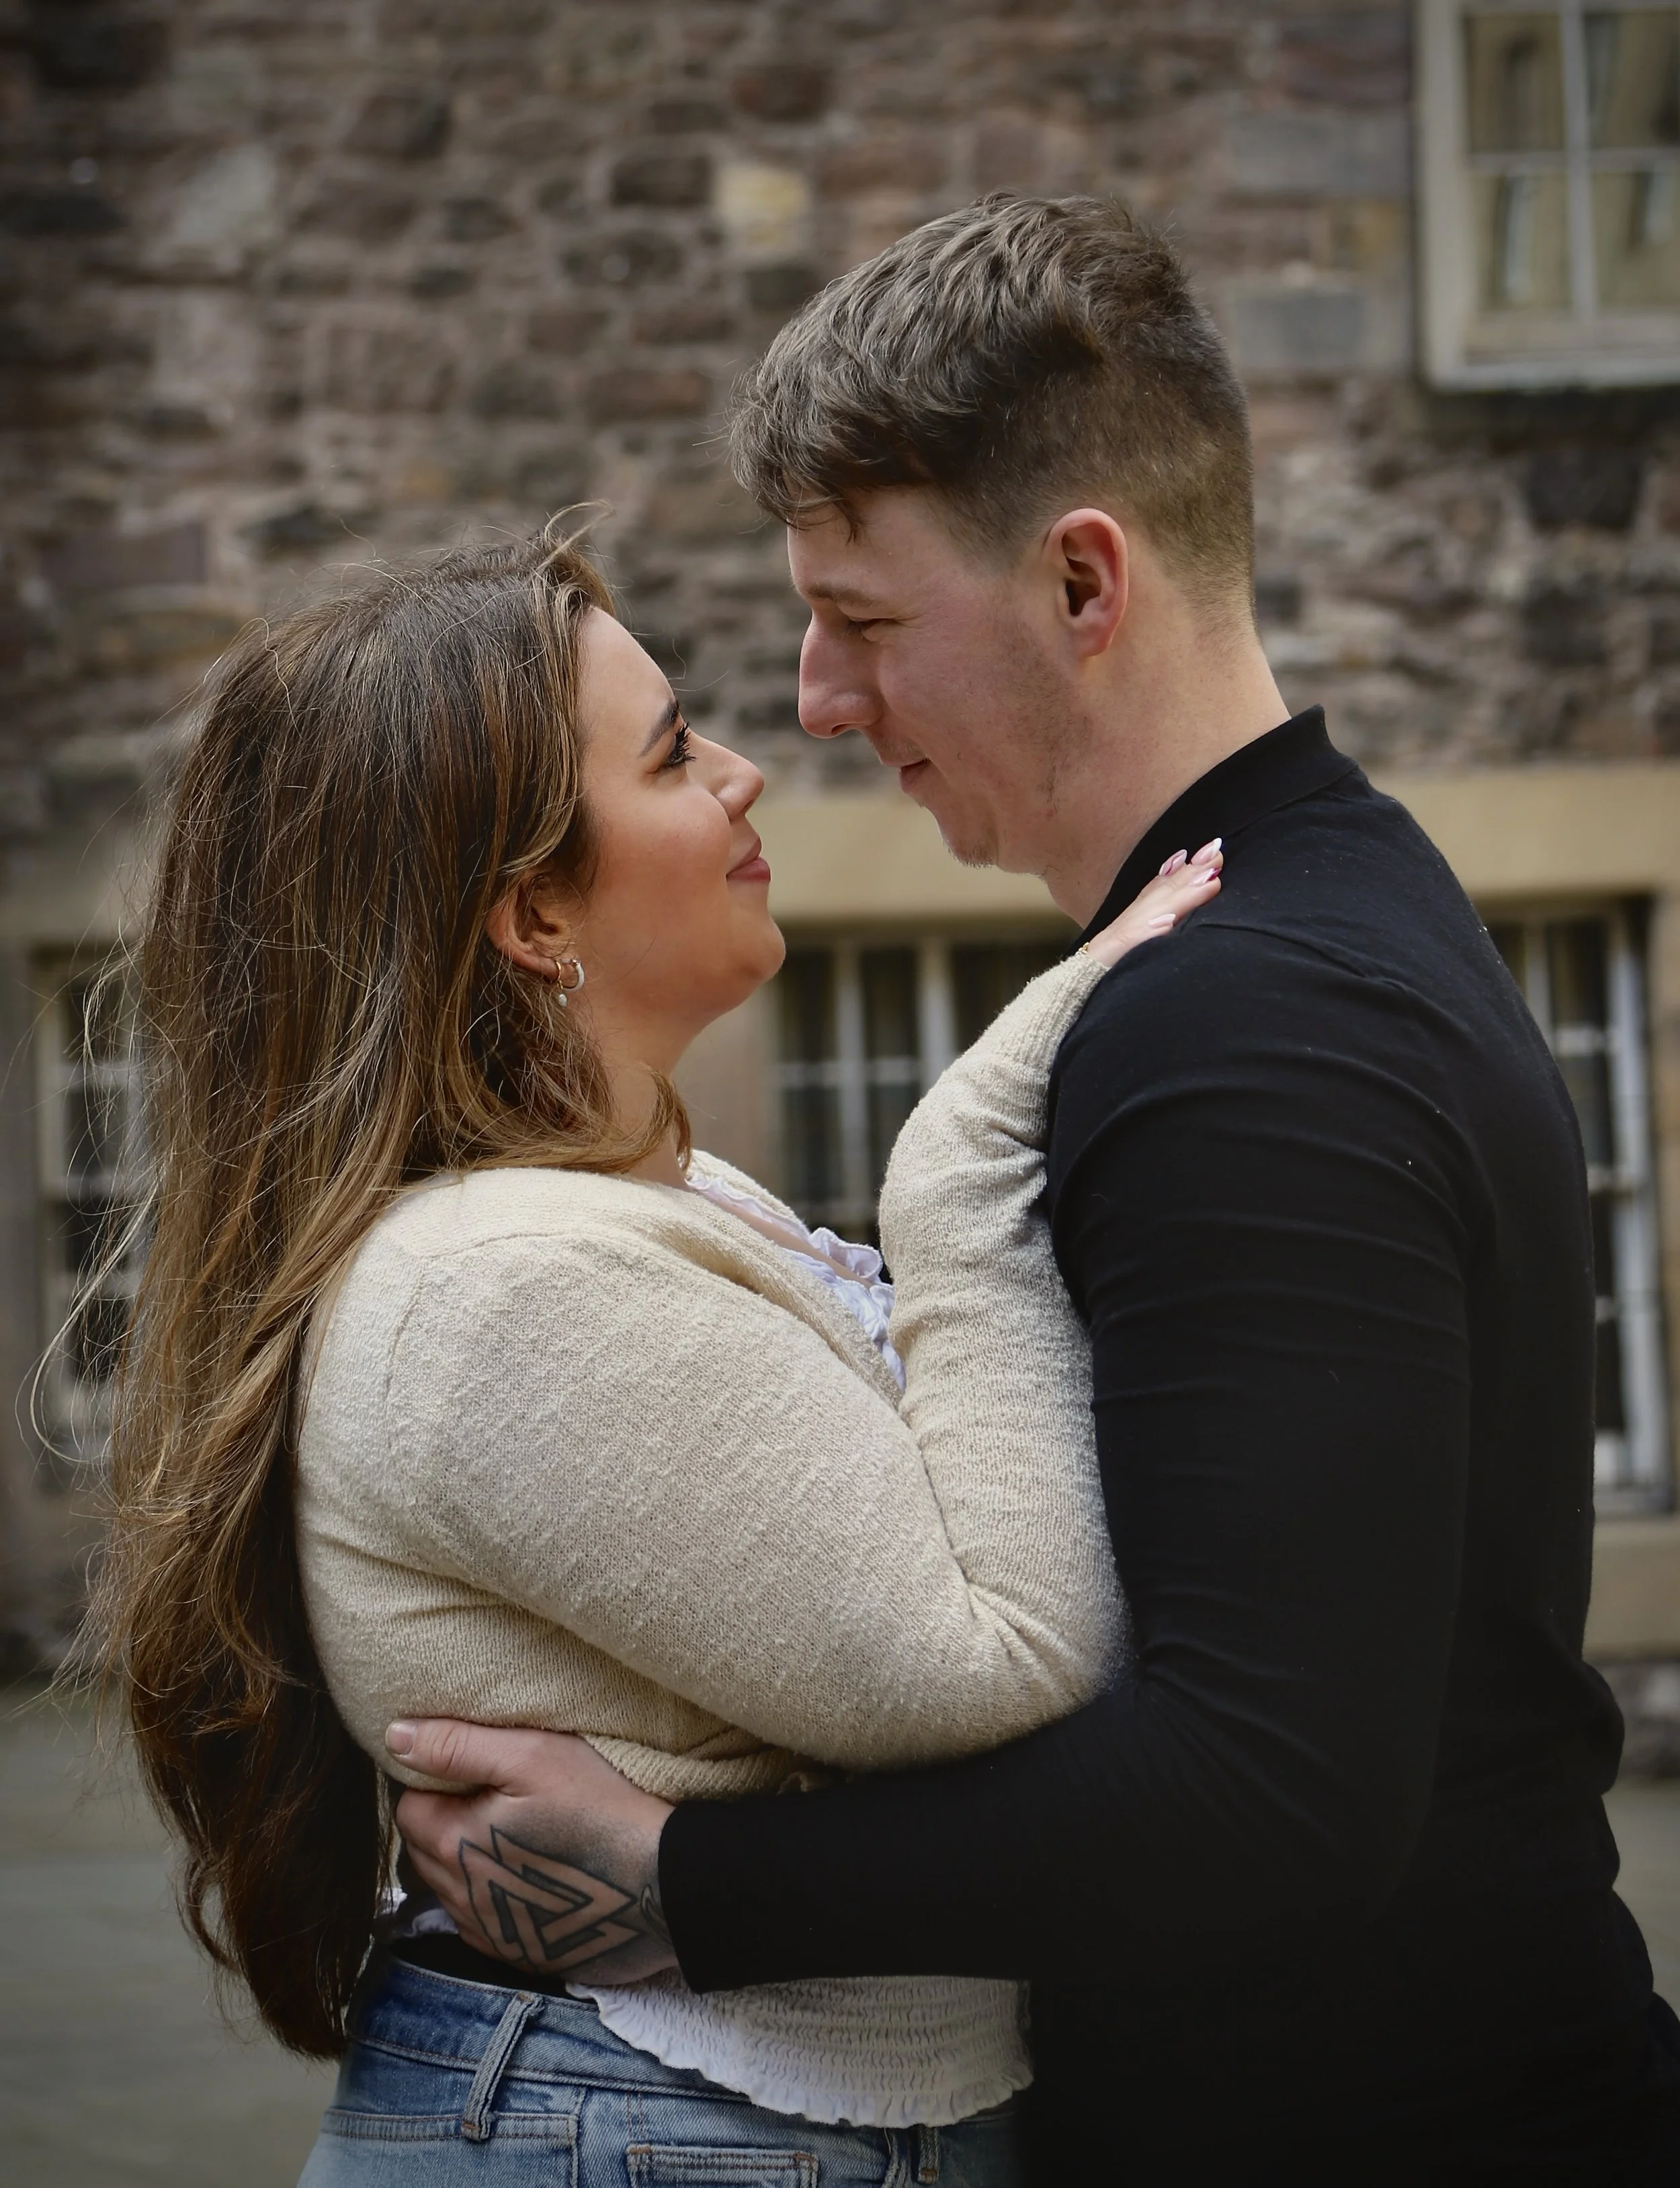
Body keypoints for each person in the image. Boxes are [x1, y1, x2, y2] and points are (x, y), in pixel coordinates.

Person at [394, 196, 1680, 2185]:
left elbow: (1267, 1795)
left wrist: (678, 1875)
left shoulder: (1244, 1028)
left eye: (869, 623)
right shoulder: (1307, 917)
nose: (817, 702)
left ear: (1085, 584)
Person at [83, 519, 1224, 2187]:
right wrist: (964, 1155)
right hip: (639, 2127)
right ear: (533, 910)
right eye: (676, 750)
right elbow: (993, 1649)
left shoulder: (630, 1212)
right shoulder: (497, 1287)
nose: (750, 772)